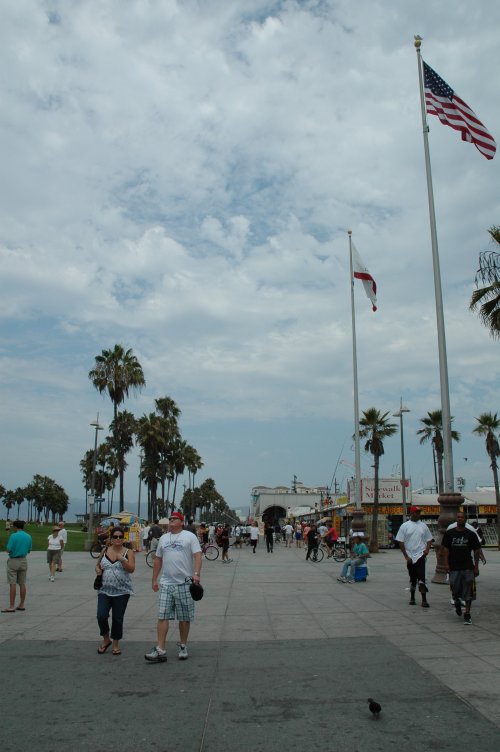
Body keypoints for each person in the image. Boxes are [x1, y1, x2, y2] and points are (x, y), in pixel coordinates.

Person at [145, 511, 202, 663]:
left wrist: (196, 574)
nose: (171, 520)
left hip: (185, 583)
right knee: (162, 615)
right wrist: (154, 579)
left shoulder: (190, 537)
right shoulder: (164, 538)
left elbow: (197, 555)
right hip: (166, 583)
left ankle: (183, 646)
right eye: (170, 518)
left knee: (184, 618)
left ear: (181, 522)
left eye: (174, 518)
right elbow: (158, 559)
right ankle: (160, 649)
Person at [95, 526, 135, 655]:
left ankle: (115, 643)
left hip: (122, 591)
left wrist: (122, 559)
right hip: (104, 590)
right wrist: (97, 570)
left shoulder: (128, 552)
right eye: (115, 537)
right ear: (111, 539)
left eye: (120, 537)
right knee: (101, 615)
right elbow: (97, 564)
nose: (118, 539)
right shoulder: (105, 550)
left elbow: (131, 569)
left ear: (123, 538)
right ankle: (106, 639)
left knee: (117, 618)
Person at [442, 510, 481, 625]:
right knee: (454, 586)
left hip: (467, 566)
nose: (460, 519)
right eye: (458, 517)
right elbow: (445, 549)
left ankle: (467, 614)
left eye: (462, 517)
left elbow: (477, 550)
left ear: (465, 519)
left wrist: (476, 566)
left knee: (468, 591)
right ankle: (457, 600)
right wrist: (446, 564)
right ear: (456, 519)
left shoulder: (471, 534)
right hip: (454, 567)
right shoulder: (450, 533)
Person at [395, 506, 433, 607]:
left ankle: (424, 600)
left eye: (419, 512)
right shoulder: (404, 526)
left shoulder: (423, 526)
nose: (418, 514)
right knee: (413, 578)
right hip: (410, 556)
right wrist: (406, 556)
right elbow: (400, 541)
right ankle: (412, 597)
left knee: (422, 577)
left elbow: (429, 539)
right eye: (416, 512)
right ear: (411, 514)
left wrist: (427, 550)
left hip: (420, 554)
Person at [3, 520, 32, 612]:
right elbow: (29, 550)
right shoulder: (28, 536)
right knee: (22, 583)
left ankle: (12, 606)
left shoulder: (13, 536)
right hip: (23, 560)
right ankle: (22, 604)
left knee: (12, 583)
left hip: (13, 560)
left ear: (15, 527)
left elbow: (8, 549)